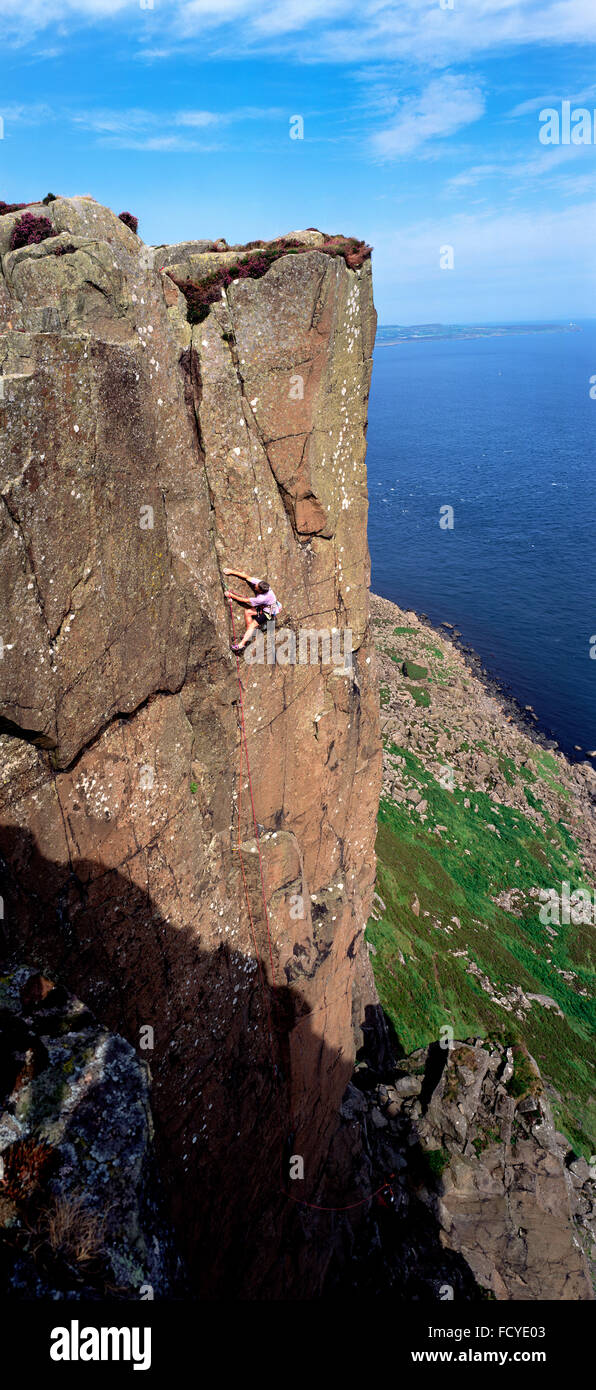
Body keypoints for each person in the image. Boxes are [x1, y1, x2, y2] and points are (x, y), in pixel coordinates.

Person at [223, 567, 282, 652]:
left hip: (269, 612)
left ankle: (241, 645)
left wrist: (231, 595)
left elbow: (244, 600)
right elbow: (247, 577)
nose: (255, 587)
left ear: (261, 591)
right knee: (248, 612)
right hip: (268, 606)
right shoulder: (263, 585)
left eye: (257, 588)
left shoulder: (261, 598)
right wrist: (231, 572)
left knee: (252, 625)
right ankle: (249, 633)